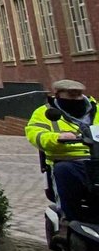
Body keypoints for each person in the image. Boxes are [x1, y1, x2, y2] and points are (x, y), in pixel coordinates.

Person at [27, 79, 98, 223]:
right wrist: (57, 137)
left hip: (96, 159)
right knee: (63, 170)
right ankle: (68, 221)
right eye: (72, 95)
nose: (77, 99)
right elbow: (35, 134)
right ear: (58, 95)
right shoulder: (44, 113)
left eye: (79, 95)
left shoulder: (96, 109)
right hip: (68, 161)